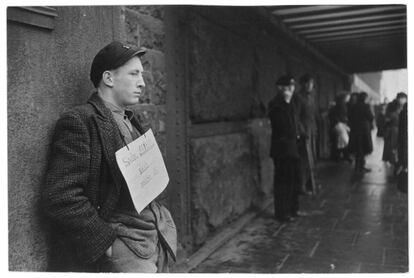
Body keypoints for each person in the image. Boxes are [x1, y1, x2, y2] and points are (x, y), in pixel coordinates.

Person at [41, 41, 177, 272]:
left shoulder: (131, 119)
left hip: (154, 236)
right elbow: (60, 196)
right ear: (109, 78)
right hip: (123, 246)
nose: (142, 83)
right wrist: (106, 245)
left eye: (141, 75)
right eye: (134, 74)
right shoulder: (80, 121)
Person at [268, 75, 302, 223]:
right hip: (282, 148)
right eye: (288, 87)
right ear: (281, 88)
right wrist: (287, 103)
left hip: (292, 147)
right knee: (283, 181)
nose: (291, 90)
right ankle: (282, 212)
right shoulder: (276, 104)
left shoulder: (291, 103)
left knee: (293, 180)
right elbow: (283, 126)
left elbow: (295, 123)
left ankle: (292, 208)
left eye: (292, 87)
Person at [294, 74, 318, 195]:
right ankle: (301, 185)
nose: (309, 86)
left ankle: (310, 183)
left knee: (311, 159)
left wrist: (315, 129)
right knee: (304, 160)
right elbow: (296, 117)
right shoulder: (298, 97)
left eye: (311, 83)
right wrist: (302, 131)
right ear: (302, 84)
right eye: (307, 83)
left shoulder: (311, 97)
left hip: (311, 130)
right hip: (304, 132)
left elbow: (313, 115)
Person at [348, 92, 374, 173]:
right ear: (365, 98)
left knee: (357, 148)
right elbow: (370, 117)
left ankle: (357, 167)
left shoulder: (353, 106)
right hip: (364, 130)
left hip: (355, 130)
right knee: (363, 148)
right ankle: (361, 167)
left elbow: (349, 116)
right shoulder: (366, 106)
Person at [382, 92, 407, 171]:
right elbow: (386, 119)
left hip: (401, 131)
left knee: (400, 149)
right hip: (393, 131)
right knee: (393, 149)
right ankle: (395, 164)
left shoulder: (406, 106)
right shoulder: (392, 105)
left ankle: (399, 164)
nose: (403, 100)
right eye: (402, 98)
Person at [329, 93, 351, 162]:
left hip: (338, 124)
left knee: (340, 141)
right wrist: (343, 121)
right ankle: (344, 156)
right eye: (348, 97)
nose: (349, 98)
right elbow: (341, 116)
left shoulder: (339, 104)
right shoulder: (341, 105)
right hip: (339, 124)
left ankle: (339, 156)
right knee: (344, 140)